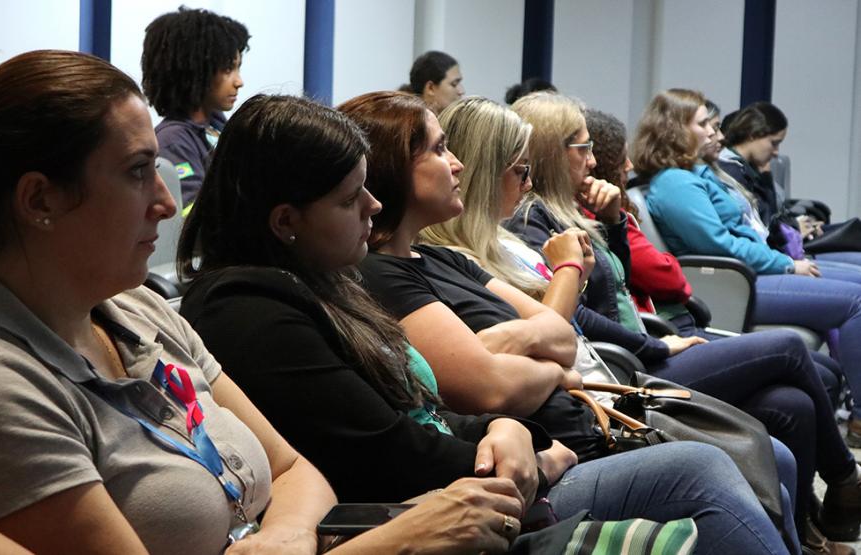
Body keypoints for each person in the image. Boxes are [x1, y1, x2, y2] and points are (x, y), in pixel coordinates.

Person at [0, 50, 540, 555]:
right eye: (136, 172)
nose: (163, 200)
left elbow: (296, 471)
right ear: (38, 199)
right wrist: (392, 541)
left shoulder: (138, 311)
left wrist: (283, 538)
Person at [174, 92, 724, 554]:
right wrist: (530, 447)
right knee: (700, 470)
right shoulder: (253, 310)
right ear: (286, 222)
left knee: (728, 446)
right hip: (442, 503)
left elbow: (447, 402)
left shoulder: (332, 282)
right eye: (350, 198)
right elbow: (392, 448)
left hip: (503, 463)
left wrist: (512, 429)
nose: (372, 205)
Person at [341, 90, 796, 554]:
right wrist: (560, 328)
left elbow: (562, 334)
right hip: (563, 447)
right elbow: (494, 386)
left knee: (772, 452)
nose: (455, 164)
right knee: (732, 440)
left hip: (593, 413)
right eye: (439, 150)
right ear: (396, 168)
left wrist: (514, 346)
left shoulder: (441, 258)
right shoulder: (388, 270)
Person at [635, 88, 861, 543]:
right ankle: (850, 460)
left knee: (815, 374)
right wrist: (786, 262)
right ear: (675, 129)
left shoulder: (699, 171)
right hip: (730, 285)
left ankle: (818, 508)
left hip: (746, 273)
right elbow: (717, 245)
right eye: (706, 124)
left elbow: (748, 227)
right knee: (855, 302)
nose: (717, 132)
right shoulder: (676, 182)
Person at [717, 102, 861, 268]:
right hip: (762, 263)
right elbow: (762, 228)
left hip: (773, 257)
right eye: (774, 143)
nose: (776, 152)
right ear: (752, 135)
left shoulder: (745, 169)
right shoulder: (730, 172)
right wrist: (793, 229)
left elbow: (770, 217)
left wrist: (765, 176)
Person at [141, 6, 250, 208]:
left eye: (238, 68)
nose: (239, 81)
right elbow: (192, 216)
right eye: (228, 69)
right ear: (195, 70)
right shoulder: (173, 141)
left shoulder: (220, 128)